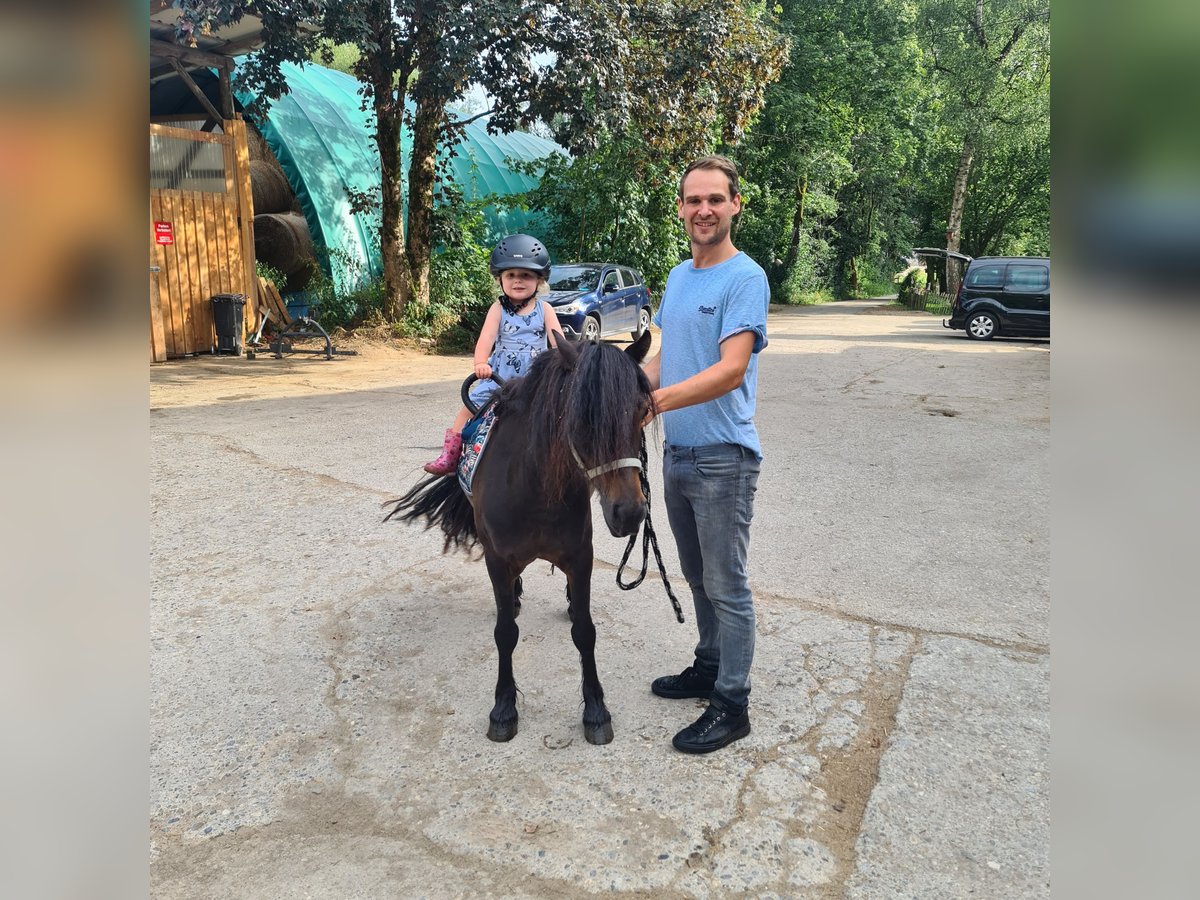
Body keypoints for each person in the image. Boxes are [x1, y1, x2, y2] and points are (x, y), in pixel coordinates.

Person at [641, 155, 770, 753]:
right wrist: (626, 390)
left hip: (724, 458)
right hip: (679, 456)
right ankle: (709, 663)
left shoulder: (745, 279)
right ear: (681, 208)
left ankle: (732, 702)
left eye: (715, 199)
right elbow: (666, 359)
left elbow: (729, 369)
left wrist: (657, 402)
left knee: (727, 582)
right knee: (696, 576)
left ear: (735, 204)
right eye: (694, 200)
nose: (704, 210)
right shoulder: (676, 277)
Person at [422, 234, 565, 475]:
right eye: (511, 275)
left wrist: (566, 363)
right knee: (469, 408)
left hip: (534, 380)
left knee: (560, 411)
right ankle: (451, 454)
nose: (517, 281)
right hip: (498, 377)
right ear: (500, 279)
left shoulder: (545, 309)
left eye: (526, 275)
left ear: (539, 281)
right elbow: (486, 339)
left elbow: (558, 341)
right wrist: (480, 363)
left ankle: (563, 457)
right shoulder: (497, 308)